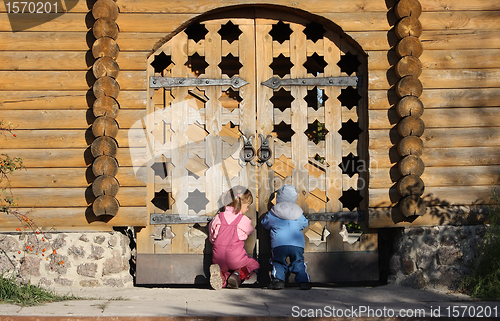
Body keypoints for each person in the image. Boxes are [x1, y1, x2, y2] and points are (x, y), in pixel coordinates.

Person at [208, 185, 259, 290]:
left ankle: (223, 277)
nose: (248, 208)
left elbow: (212, 237)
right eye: (247, 206)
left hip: (218, 257)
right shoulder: (243, 220)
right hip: (236, 257)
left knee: (223, 270)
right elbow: (250, 231)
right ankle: (238, 274)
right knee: (254, 264)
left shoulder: (218, 217)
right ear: (241, 204)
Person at [261, 184, 311, 290]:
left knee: (278, 261)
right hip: (297, 244)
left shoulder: (274, 211)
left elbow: (265, 223)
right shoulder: (298, 211)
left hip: (279, 244)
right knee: (298, 261)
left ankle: (278, 281)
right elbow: (304, 223)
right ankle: (304, 281)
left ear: (278, 198)